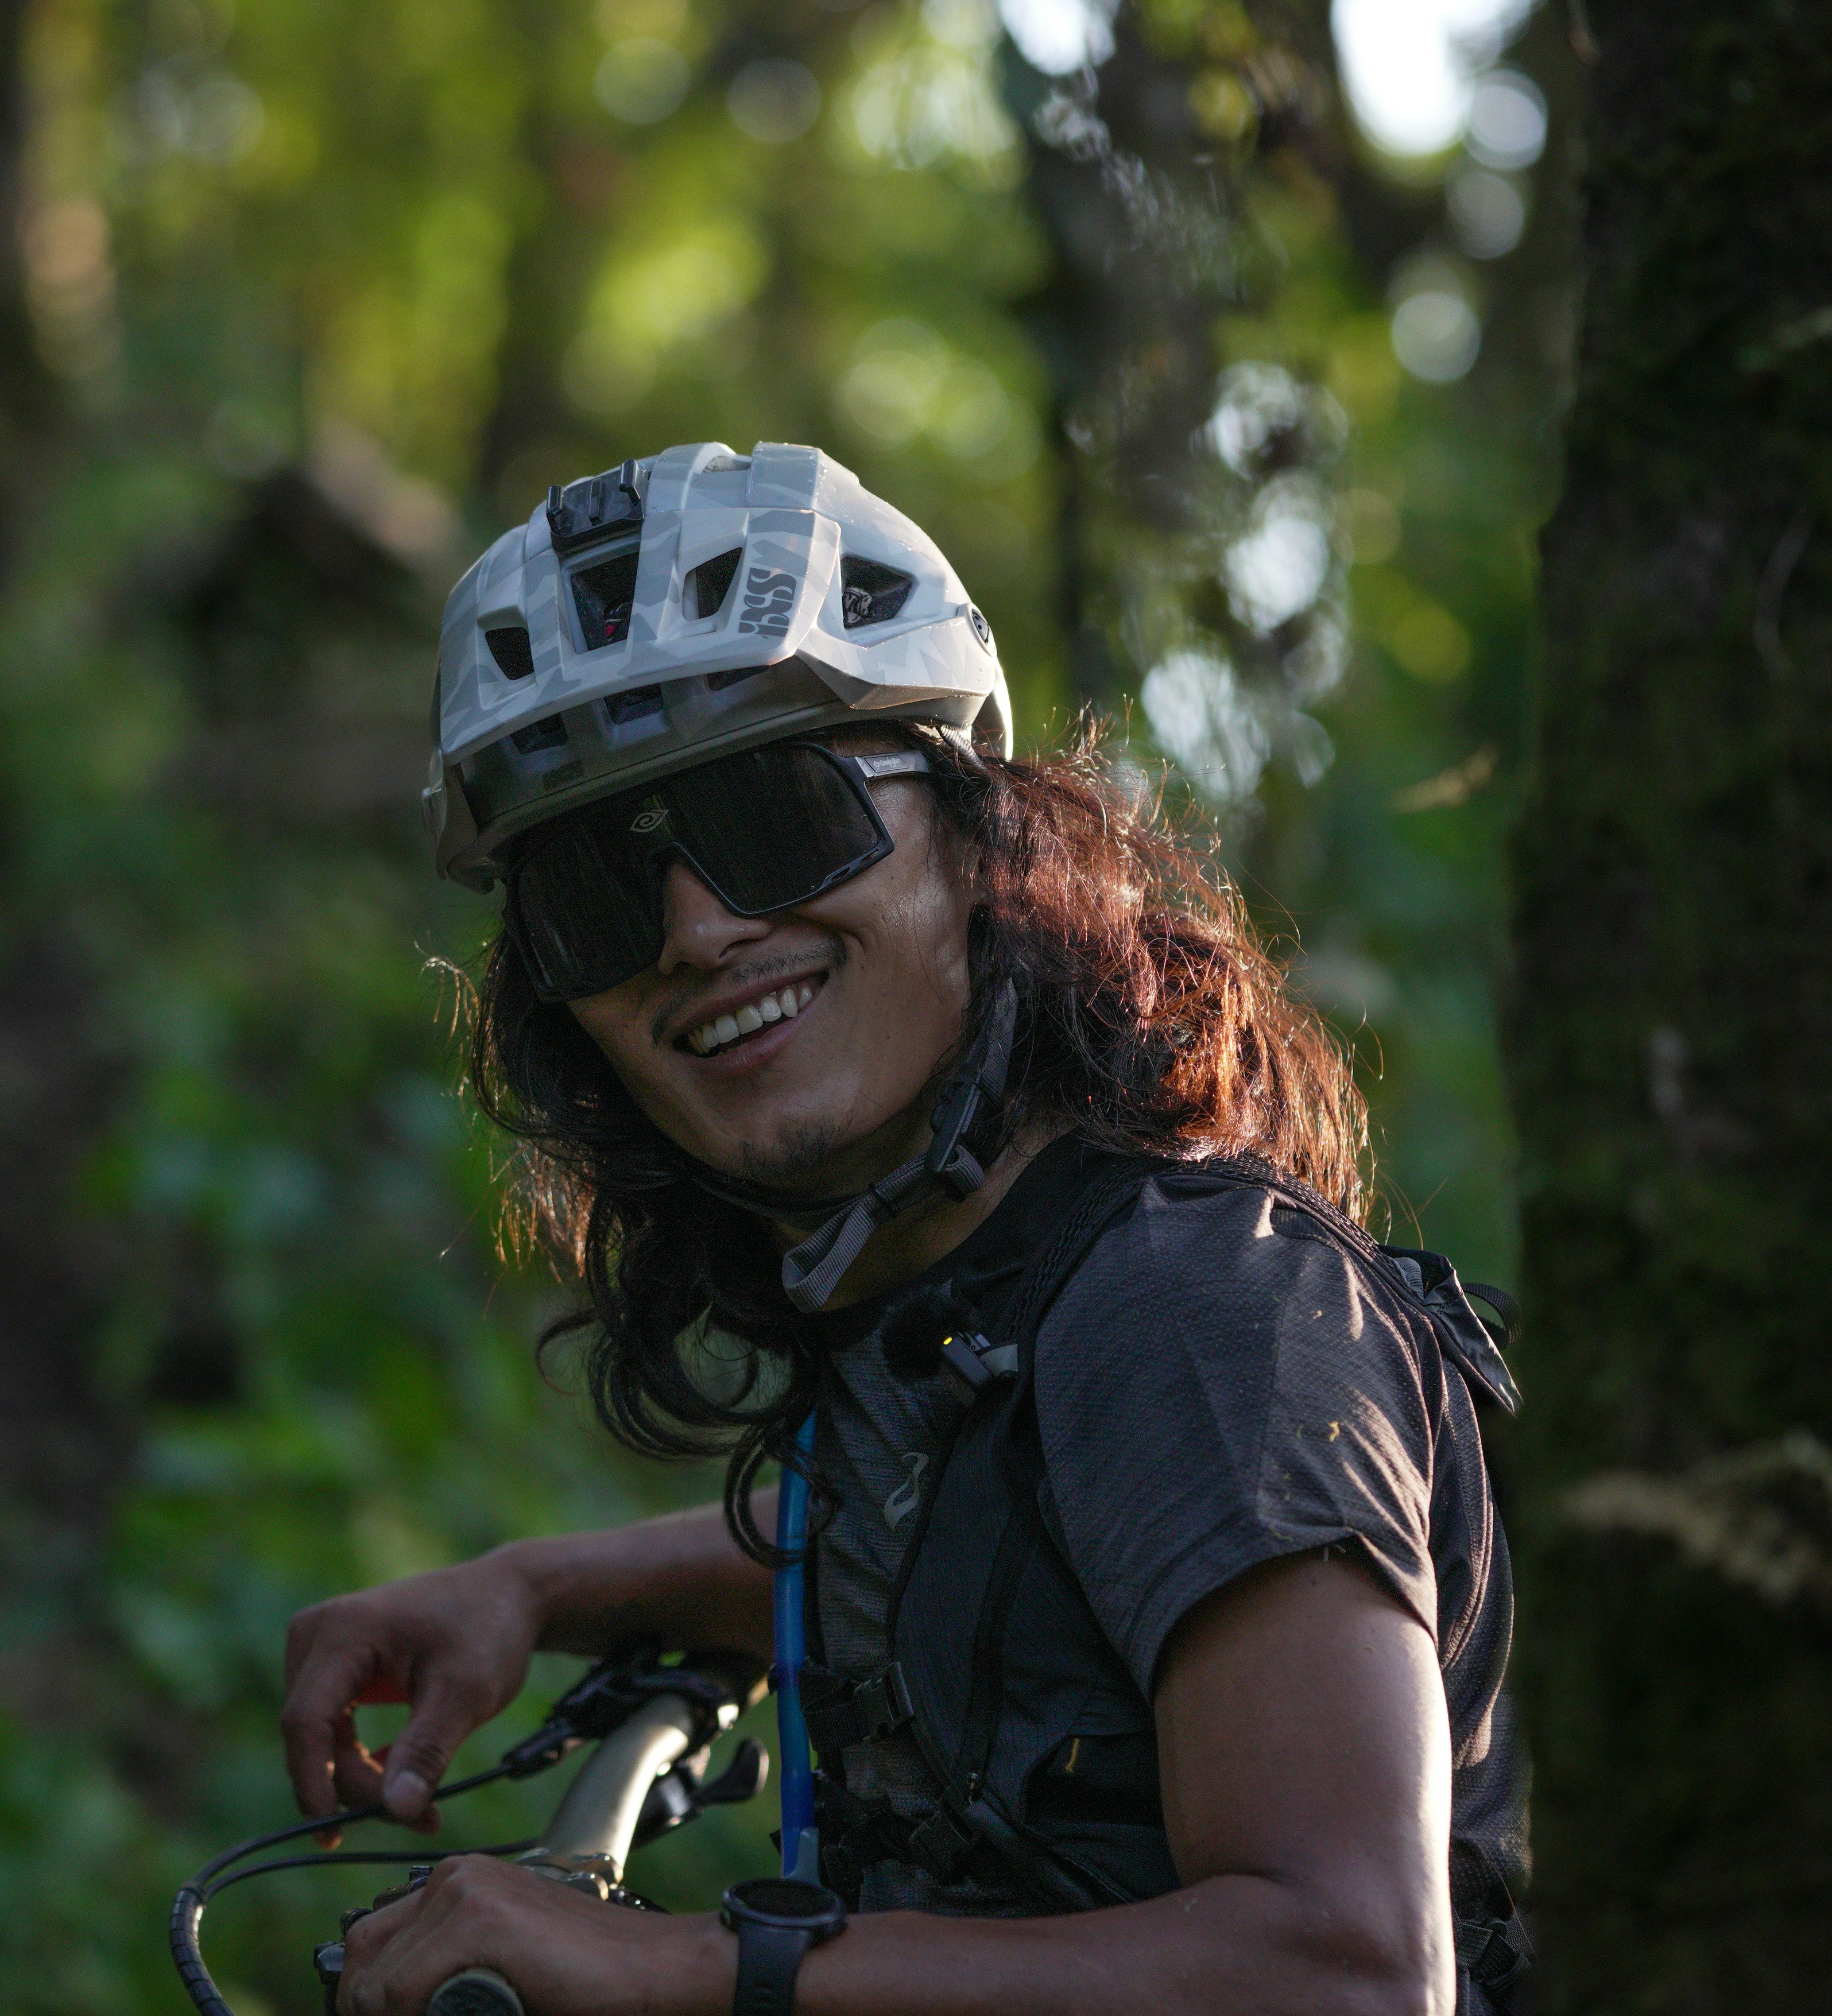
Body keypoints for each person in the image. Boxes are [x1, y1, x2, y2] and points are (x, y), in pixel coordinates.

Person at [289, 442, 1525, 2016]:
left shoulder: (1187, 1310)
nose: (699, 928)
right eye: (600, 886)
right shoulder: (960, 1296)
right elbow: (992, 1546)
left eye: (776, 813)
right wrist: (545, 1589)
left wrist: (685, 1969)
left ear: (973, 839)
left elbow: (1345, 1973)